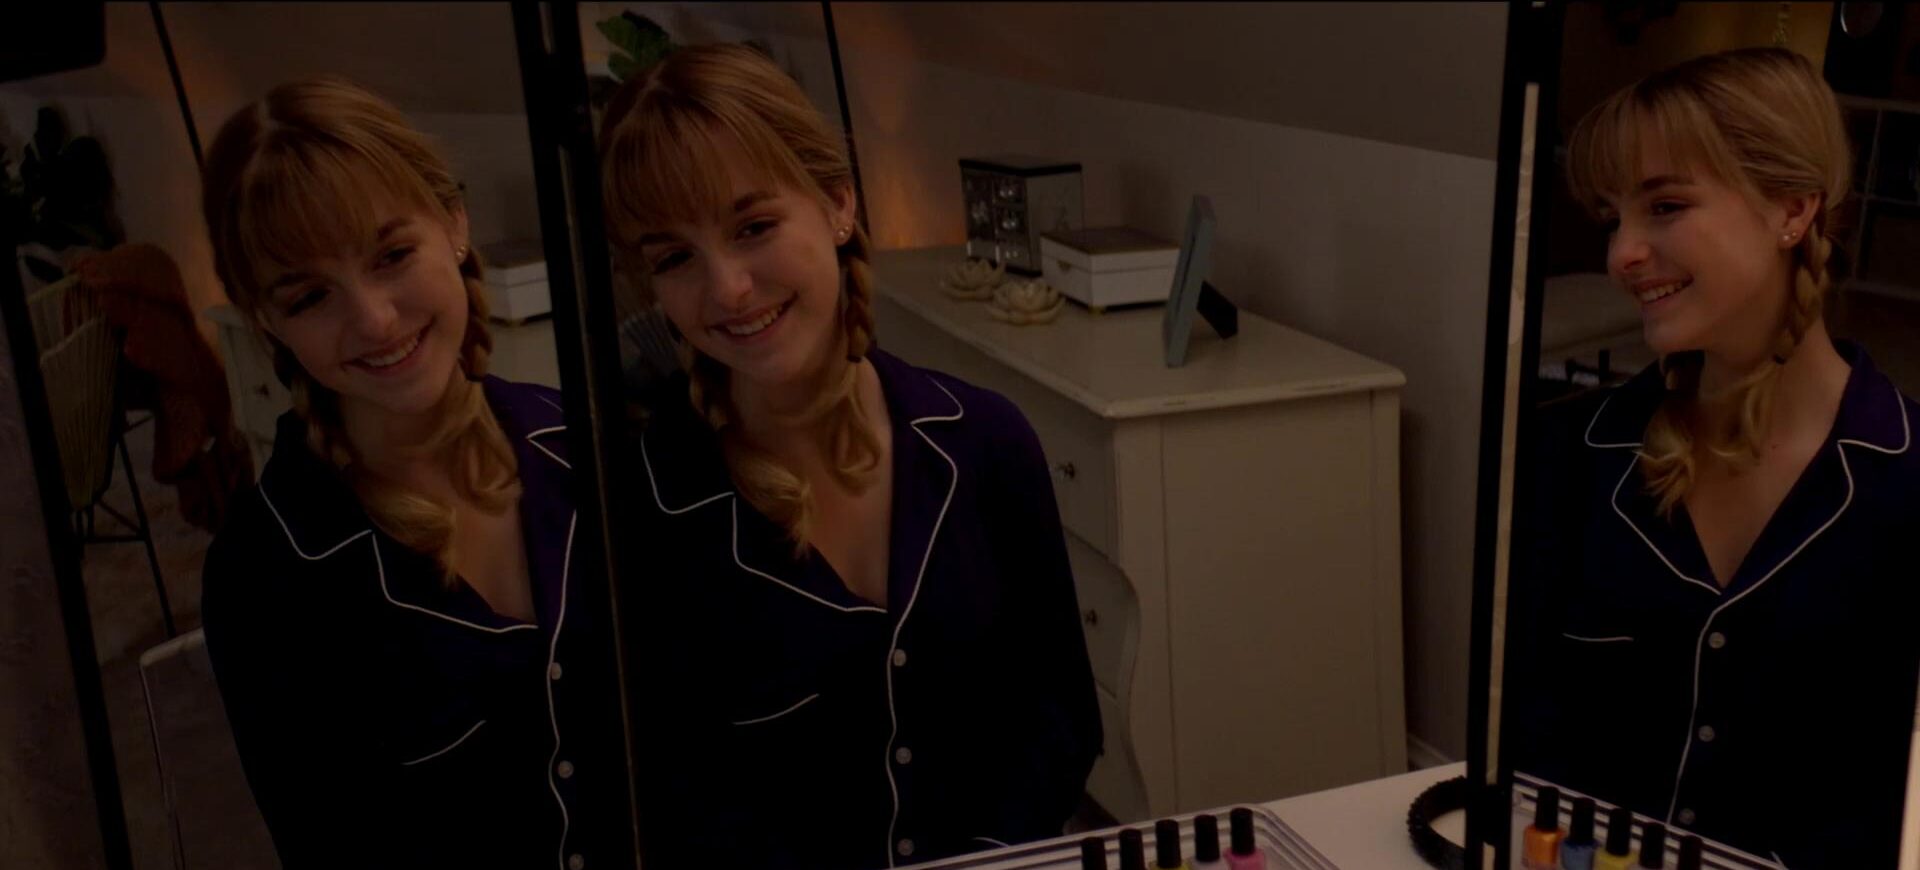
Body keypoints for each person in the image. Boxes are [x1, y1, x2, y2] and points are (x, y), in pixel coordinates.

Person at [599, 43, 1102, 868]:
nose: (727, 288)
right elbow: (670, 794)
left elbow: (1058, 716)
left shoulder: (986, 441)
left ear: (838, 202)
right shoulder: (645, 504)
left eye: (753, 227)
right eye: (675, 258)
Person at [197, 76, 627, 869]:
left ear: (454, 222)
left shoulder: (594, 443)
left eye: (391, 256)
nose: (374, 319)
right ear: (266, 320)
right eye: (311, 297)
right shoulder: (265, 577)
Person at [1510, 47, 1920, 867]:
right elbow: (1527, 744)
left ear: (1792, 210)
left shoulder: (1905, 482)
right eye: (1613, 218)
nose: (1621, 254)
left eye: (1664, 206)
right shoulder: (1572, 458)